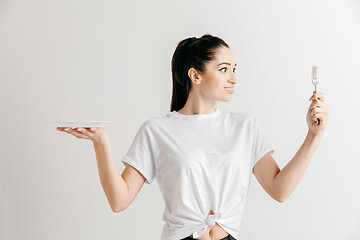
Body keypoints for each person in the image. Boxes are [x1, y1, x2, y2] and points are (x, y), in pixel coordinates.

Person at [56, 34, 331, 240]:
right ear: (195, 75)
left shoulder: (245, 127)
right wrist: (101, 142)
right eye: (224, 69)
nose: (233, 78)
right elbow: (119, 201)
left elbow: (279, 190)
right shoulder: (157, 131)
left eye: (235, 69)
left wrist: (313, 136)